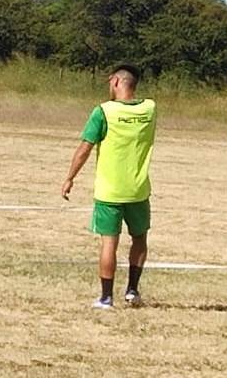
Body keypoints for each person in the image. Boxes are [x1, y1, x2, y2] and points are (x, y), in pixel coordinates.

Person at [61, 64, 156, 310]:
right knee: (139, 239)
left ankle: (106, 297)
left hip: (109, 191)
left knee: (109, 244)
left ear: (115, 82)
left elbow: (84, 149)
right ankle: (132, 290)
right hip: (138, 190)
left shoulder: (103, 112)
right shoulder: (150, 109)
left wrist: (70, 177)